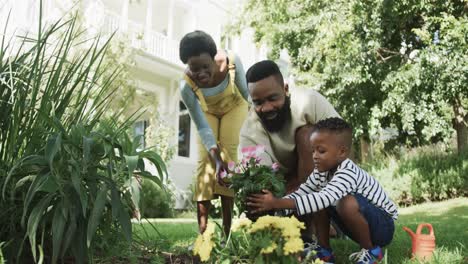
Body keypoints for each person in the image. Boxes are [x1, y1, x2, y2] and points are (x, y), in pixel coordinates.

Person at [247, 117, 398, 264]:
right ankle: (325, 252)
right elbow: (304, 192)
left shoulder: (348, 172)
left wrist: (277, 203)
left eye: (321, 151)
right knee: (316, 197)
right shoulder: (321, 172)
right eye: (313, 151)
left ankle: (371, 252)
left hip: (383, 228)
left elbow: (323, 198)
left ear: (342, 152)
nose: (314, 156)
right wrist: (276, 211)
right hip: (359, 225)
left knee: (344, 202)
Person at [179, 30, 249, 236]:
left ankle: (227, 232)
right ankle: (202, 234)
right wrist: (215, 161)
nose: (200, 73)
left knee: (229, 159)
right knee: (205, 162)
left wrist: (223, 162)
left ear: (214, 57)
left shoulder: (232, 62)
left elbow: (247, 94)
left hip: (234, 106)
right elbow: (202, 127)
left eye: (205, 67)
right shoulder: (186, 86)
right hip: (208, 112)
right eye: (194, 69)